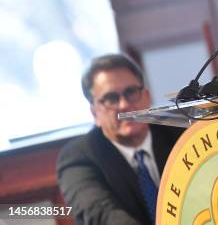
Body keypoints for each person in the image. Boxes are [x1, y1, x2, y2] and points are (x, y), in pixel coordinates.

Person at [57, 54, 183, 225]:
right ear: (95, 113)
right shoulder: (78, 158)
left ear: (147, 97)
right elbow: (102, 214)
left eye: (130, 92)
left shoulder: (179, 135)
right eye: (111, 98)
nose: (124, 105)